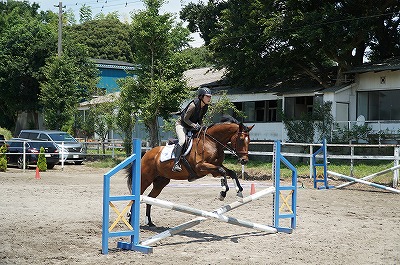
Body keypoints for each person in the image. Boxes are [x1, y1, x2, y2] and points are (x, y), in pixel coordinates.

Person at [172, 87, 212, 173]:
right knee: (182, 141)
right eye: (207, 96)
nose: (209, 98)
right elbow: (185, 119)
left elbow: (200, 119)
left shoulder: (205, 107)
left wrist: (202, 126)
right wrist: (194, 125)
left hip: (191, 126)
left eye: (210, 97)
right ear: (201, 97)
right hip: (181, 125)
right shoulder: (193, 106)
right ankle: (176, 163)